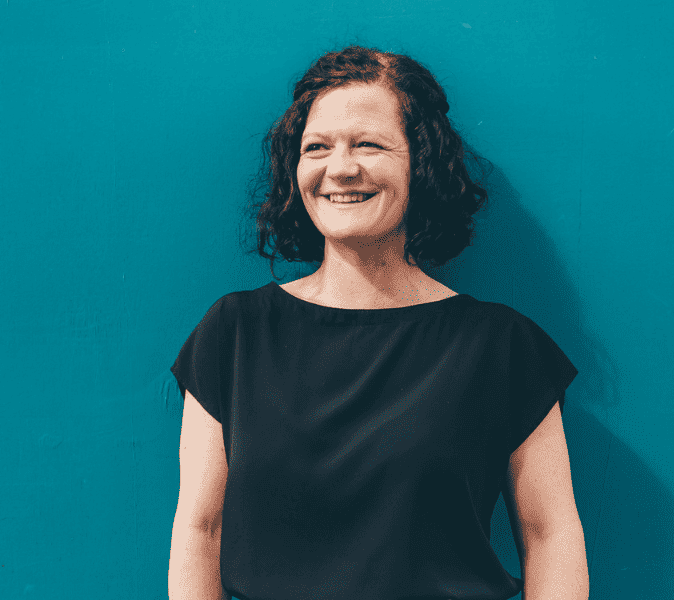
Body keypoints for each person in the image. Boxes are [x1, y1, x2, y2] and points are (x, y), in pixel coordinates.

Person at [167, 46, 589, 600]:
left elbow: (549, 535)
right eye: (316, 147)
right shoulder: (234, 333)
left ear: (422, 162)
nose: (340, 168)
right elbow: (201, 531)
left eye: (368, 144)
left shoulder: (502, 346)